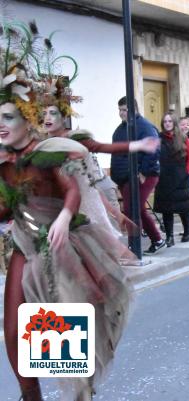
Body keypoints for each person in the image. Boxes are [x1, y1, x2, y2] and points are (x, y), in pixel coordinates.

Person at [0, 22, 131, 401]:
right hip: (24, 245)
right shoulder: (3, 162)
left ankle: (80, 389)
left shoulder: (49, 152)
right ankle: (31, 396)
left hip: (59, 245)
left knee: (54, 328)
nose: (1, 125)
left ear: (27, 118)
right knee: (13, 332)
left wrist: (60, 218)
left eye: (9, 117)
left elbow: (71, 190)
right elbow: (6, 209)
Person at [42, 104, 159, 232]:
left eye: (52, 113)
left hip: (84, 203)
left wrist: (138, 145)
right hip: (56, 207)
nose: (47, 117)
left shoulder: (75, 139)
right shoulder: (41, 147)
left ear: (64, 117)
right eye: (44, 114)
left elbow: (102, 148)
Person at [111, 97, 165, 254]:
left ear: (134, 109)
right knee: (136, 209)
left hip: (145, 174)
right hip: (125, 176)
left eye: (124, 110)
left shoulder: (145, 127)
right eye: (119, 110)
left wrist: (143, 172)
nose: (121, 113)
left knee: (132, 209)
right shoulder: (119, 130)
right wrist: (116, 176)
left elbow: (154, 150)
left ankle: (134, 246)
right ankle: (156, 240)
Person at [154, 114, 189, 247]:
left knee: (183, 208)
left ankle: (187, 230)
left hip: (180, 177)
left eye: (170, 121)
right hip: (164, 178)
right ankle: (169, 237)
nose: (167, 123)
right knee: (167, 210)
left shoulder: (182, 138)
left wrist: (186, 172)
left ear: (174, 122)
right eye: (165, 121)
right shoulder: (158, 138)